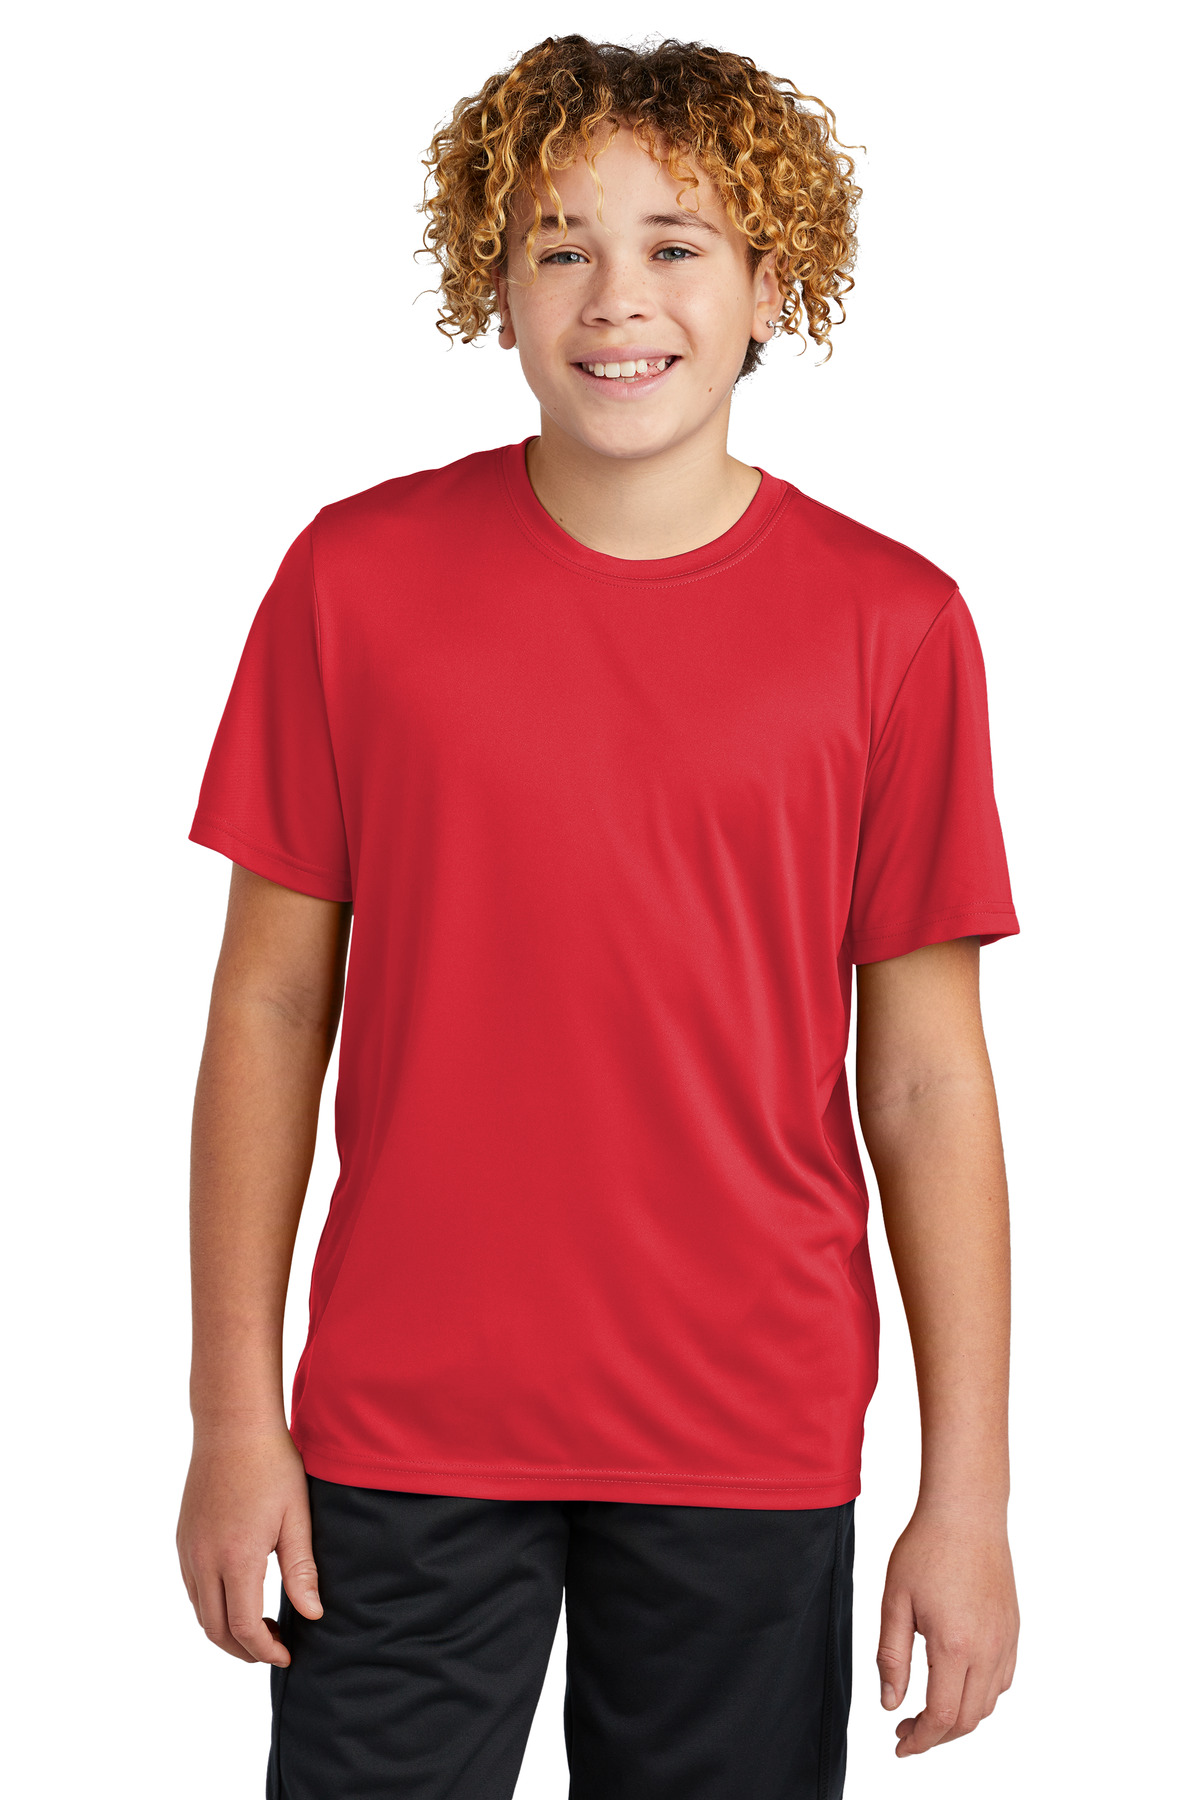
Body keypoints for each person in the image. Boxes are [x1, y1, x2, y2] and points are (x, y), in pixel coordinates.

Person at [177, 33, 1021, 1800]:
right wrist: (232, 1416)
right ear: (493, 285)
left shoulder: (895, 625)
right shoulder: (352, 580)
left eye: (675, 244)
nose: (616, 297)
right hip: (403, 1423)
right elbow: (267, 1007)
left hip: (748, 1425)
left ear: (772, 284)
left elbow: (927, 1079)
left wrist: (969, 1495)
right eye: (560, 245)